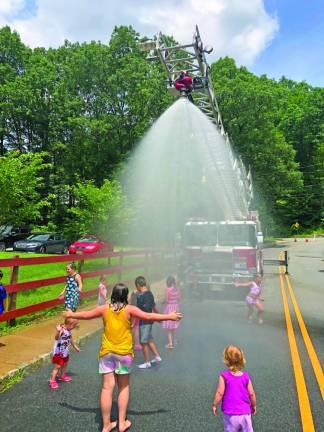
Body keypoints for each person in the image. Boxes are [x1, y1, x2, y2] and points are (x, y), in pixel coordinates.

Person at [64, 282, 182, 432]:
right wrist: (169, 316)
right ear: (125, 295)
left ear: (113, 294)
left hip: (107, 353)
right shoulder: (129, 309)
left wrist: (71, 314)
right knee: (123, 387)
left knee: (107, 388)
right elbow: (148, 315)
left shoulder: (104, 309)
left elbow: (87, 315)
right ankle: (121, 423)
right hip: (124, 354)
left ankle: (106, 425)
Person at [212, 345, 256, 432]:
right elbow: (251, 393)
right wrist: (253, 405)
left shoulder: (224, 376)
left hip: (230, 414)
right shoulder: (246, 376)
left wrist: (214, 404)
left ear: (226, 360)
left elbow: (220, 393)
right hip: (244, 413)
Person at [135, 276, 162, 369]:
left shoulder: (140, 296)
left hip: (144, 321)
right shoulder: (150, 294)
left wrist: (132, 322)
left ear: (138, 285)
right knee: (149, 338)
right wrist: (159, 317)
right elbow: (153, 306)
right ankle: (157, 356)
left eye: (136, 287)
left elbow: (137, 311)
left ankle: (147, 362)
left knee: (143, 342)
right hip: (150, 320)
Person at [49, 317, 80, 389]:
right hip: (59, 353)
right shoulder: (62, 330)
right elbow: (56, 338)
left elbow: (70, 338)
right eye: (74, 326)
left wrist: (75, 346)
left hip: (65, 352)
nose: (74, 328)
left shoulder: (69, 330)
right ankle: (52, 380)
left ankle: (62, 375)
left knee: (65, 364)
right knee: (57, 367)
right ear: (69, 324)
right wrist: (58, 331)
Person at [162, 276, 181, 349]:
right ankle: (174, 341)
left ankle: (170, 344)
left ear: (167, 282)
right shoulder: (177, 289)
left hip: (169, 308)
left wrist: (163, 302)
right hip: (176, 307)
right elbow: (179, 298)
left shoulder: (167, 289)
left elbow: (166, 300)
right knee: (174, 326)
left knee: (169, 328)